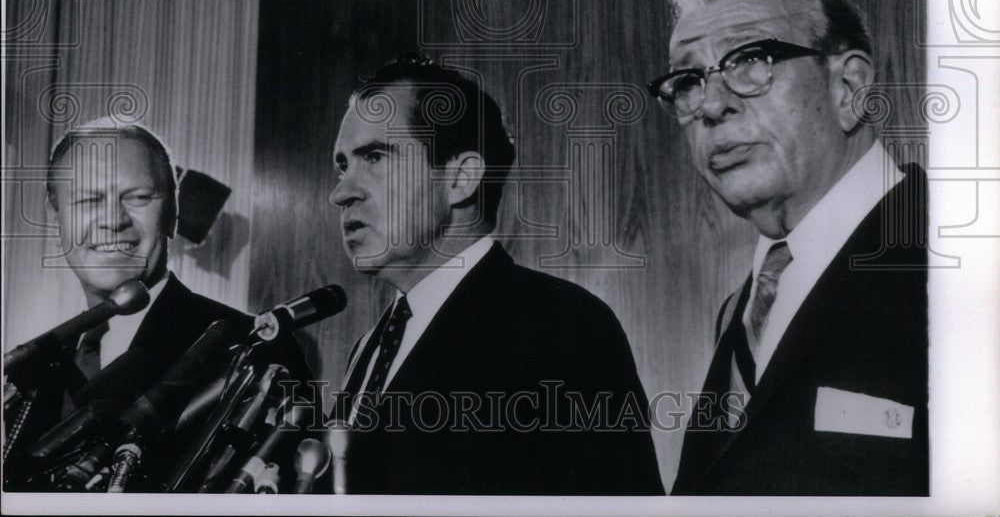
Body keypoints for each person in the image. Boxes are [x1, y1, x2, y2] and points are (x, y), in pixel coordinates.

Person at [649, 0, 928, 495]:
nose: (709, 106)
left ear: (848, 87)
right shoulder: (745, 306)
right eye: (687, 82)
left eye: (750, 61)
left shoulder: (967, 270)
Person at [327, 55, 664, 495]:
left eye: (374, 156)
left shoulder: (563, 325)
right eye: (341, 165)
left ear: (461, 178)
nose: (341, 192)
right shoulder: (368, 348)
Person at [18, 118, 310, 486]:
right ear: (55, 217)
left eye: (138, 197)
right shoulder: (31, 367)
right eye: (88, 199)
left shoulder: (255, 347)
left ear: (173, 213)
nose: (112, 220)